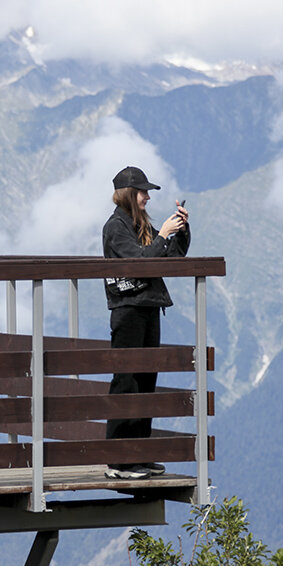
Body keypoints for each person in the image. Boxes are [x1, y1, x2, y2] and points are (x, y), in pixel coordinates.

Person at [102, 166, 190, 480]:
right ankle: (119, 461)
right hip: (127, 310)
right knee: (126, 382)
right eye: (143, 192)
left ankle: (138, 454)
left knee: (145, 382)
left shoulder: (140, 225)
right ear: (129, 194)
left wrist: (180, 231)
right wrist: (163, 234)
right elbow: (139, 263)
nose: (147, 197)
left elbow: (169, 258)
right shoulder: (116, 227)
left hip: (148, 308)